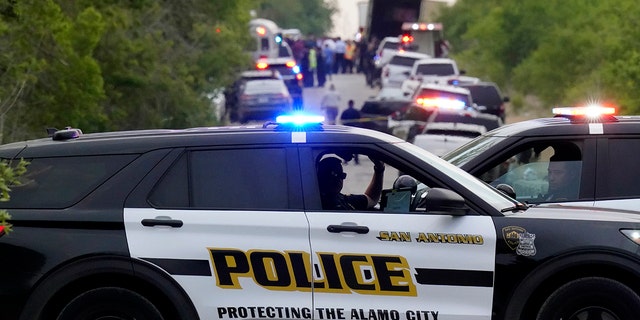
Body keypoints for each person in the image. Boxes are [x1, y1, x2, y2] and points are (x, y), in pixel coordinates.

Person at [317, 156, 385, 210]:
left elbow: (371, 199)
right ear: (321, 177)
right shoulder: (320, 204)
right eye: (335, 175)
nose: (340, 180)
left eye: (343, 175)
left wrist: (379, 169)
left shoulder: (341, 198)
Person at [340, 100, 362, 164]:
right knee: (356, 146)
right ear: (353, 104)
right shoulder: (356, 111)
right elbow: (359, 120)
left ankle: (346, 160)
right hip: (355, 131)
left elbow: (342, 120)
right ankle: (356, 160)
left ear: (348, 104)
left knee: (346, 146)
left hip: (347, 131)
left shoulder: (345, 111)